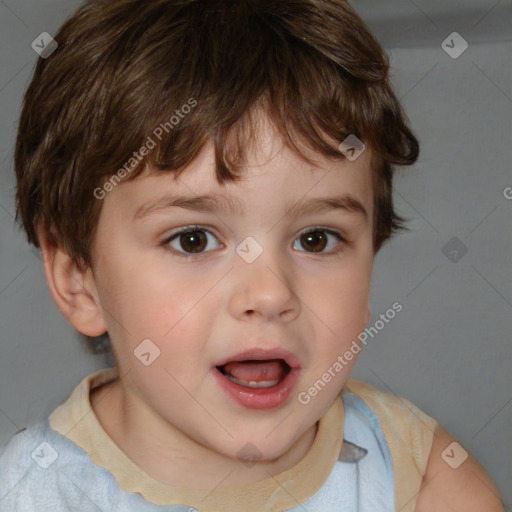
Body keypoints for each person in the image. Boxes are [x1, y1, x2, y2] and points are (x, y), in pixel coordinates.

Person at [0, 0, 504, 510]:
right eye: (193, 239)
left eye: (316, 239)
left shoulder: (424, 484)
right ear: (78, 279)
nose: (269, 294)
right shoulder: (33, 494)